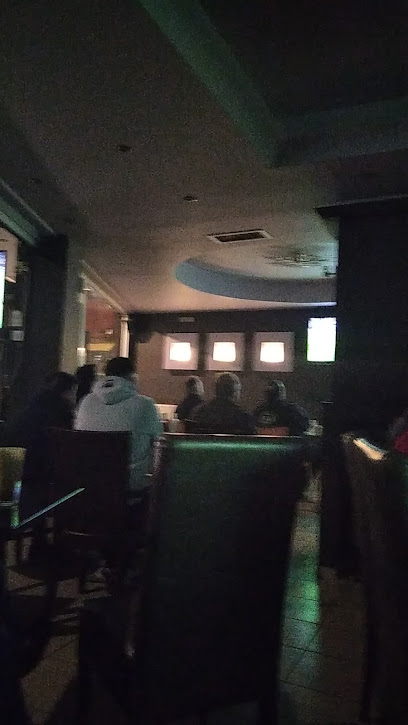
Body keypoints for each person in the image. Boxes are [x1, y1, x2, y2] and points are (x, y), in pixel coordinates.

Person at [75, 357, 162, 493]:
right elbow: (159, 442)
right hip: (129, 484)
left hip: (89, 481)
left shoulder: (86, 402)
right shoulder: (145, 405)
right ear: (132, 376)